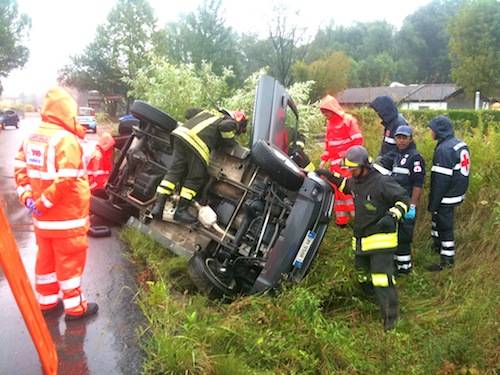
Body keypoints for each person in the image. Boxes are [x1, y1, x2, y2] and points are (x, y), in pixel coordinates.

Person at [14, 86, 98, 320]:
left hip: (42, 222)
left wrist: (29, 199)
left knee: (46, 261)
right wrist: (44, 203)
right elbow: (67, 179)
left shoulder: (32, 137)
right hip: (66, 219)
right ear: (65, 111)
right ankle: (75, 308)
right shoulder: (65, 140)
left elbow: (20, 169)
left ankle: (48, 302)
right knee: (70, 262)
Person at [317, 146, 410, 331]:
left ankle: (391, 321)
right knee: (363, 277)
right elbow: (345, 185)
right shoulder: (356, 181)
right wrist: (329, 175)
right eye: (349, 169)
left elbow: (404, 200)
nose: (351, 172)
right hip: (362, 241)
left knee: (382, 280)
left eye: (353, 169)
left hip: (381, 242)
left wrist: (392, 216)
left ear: (364, 166)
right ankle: (371, 305)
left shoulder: (382, 182)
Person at [151, 108, 248, 223]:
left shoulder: (209, 111)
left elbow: (188, 112)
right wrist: (231, 142)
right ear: (238, 120)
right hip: (196, 144)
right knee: (195, 178)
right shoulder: (230, 121)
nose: (236, 132)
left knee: (174, 172)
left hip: (180, 136)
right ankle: (180, 211)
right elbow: (224, 127)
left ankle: (158, 207)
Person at [379, 125, 425, 274]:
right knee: (393, 234)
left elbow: (418, 184)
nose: (401, 141)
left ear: (410, 139)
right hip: (393, 202)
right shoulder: (394, 155)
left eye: (404, 138)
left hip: (406, 202)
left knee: (404, 236)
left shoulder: (415, 157)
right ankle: (395, 264)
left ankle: (405, 268)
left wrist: (413, 205)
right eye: (398, 137)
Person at [427, 116, 470, 271]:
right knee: (442, 222)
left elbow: (441, 181)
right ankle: (438, 247)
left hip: (447, 195)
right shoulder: (459, 144)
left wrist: (433, 203)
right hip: (458, 191)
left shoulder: (444, 150)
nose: (429, 131)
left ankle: (447, 259)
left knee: (445, 226)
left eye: (431, 129)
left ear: (439, 130)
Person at [318, 95, 363, 226]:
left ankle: (358, 219)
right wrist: (324, 159)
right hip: (334, 165)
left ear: (332, 109)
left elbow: (358, 141)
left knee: (348, 192)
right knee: (337, 193)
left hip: (347, 165)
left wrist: (349, 157)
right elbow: (328, 145)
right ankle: (342, 220)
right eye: (322, 112)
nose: (324, 114)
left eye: (325, 111)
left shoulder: (348, 120)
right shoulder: (330, 124)